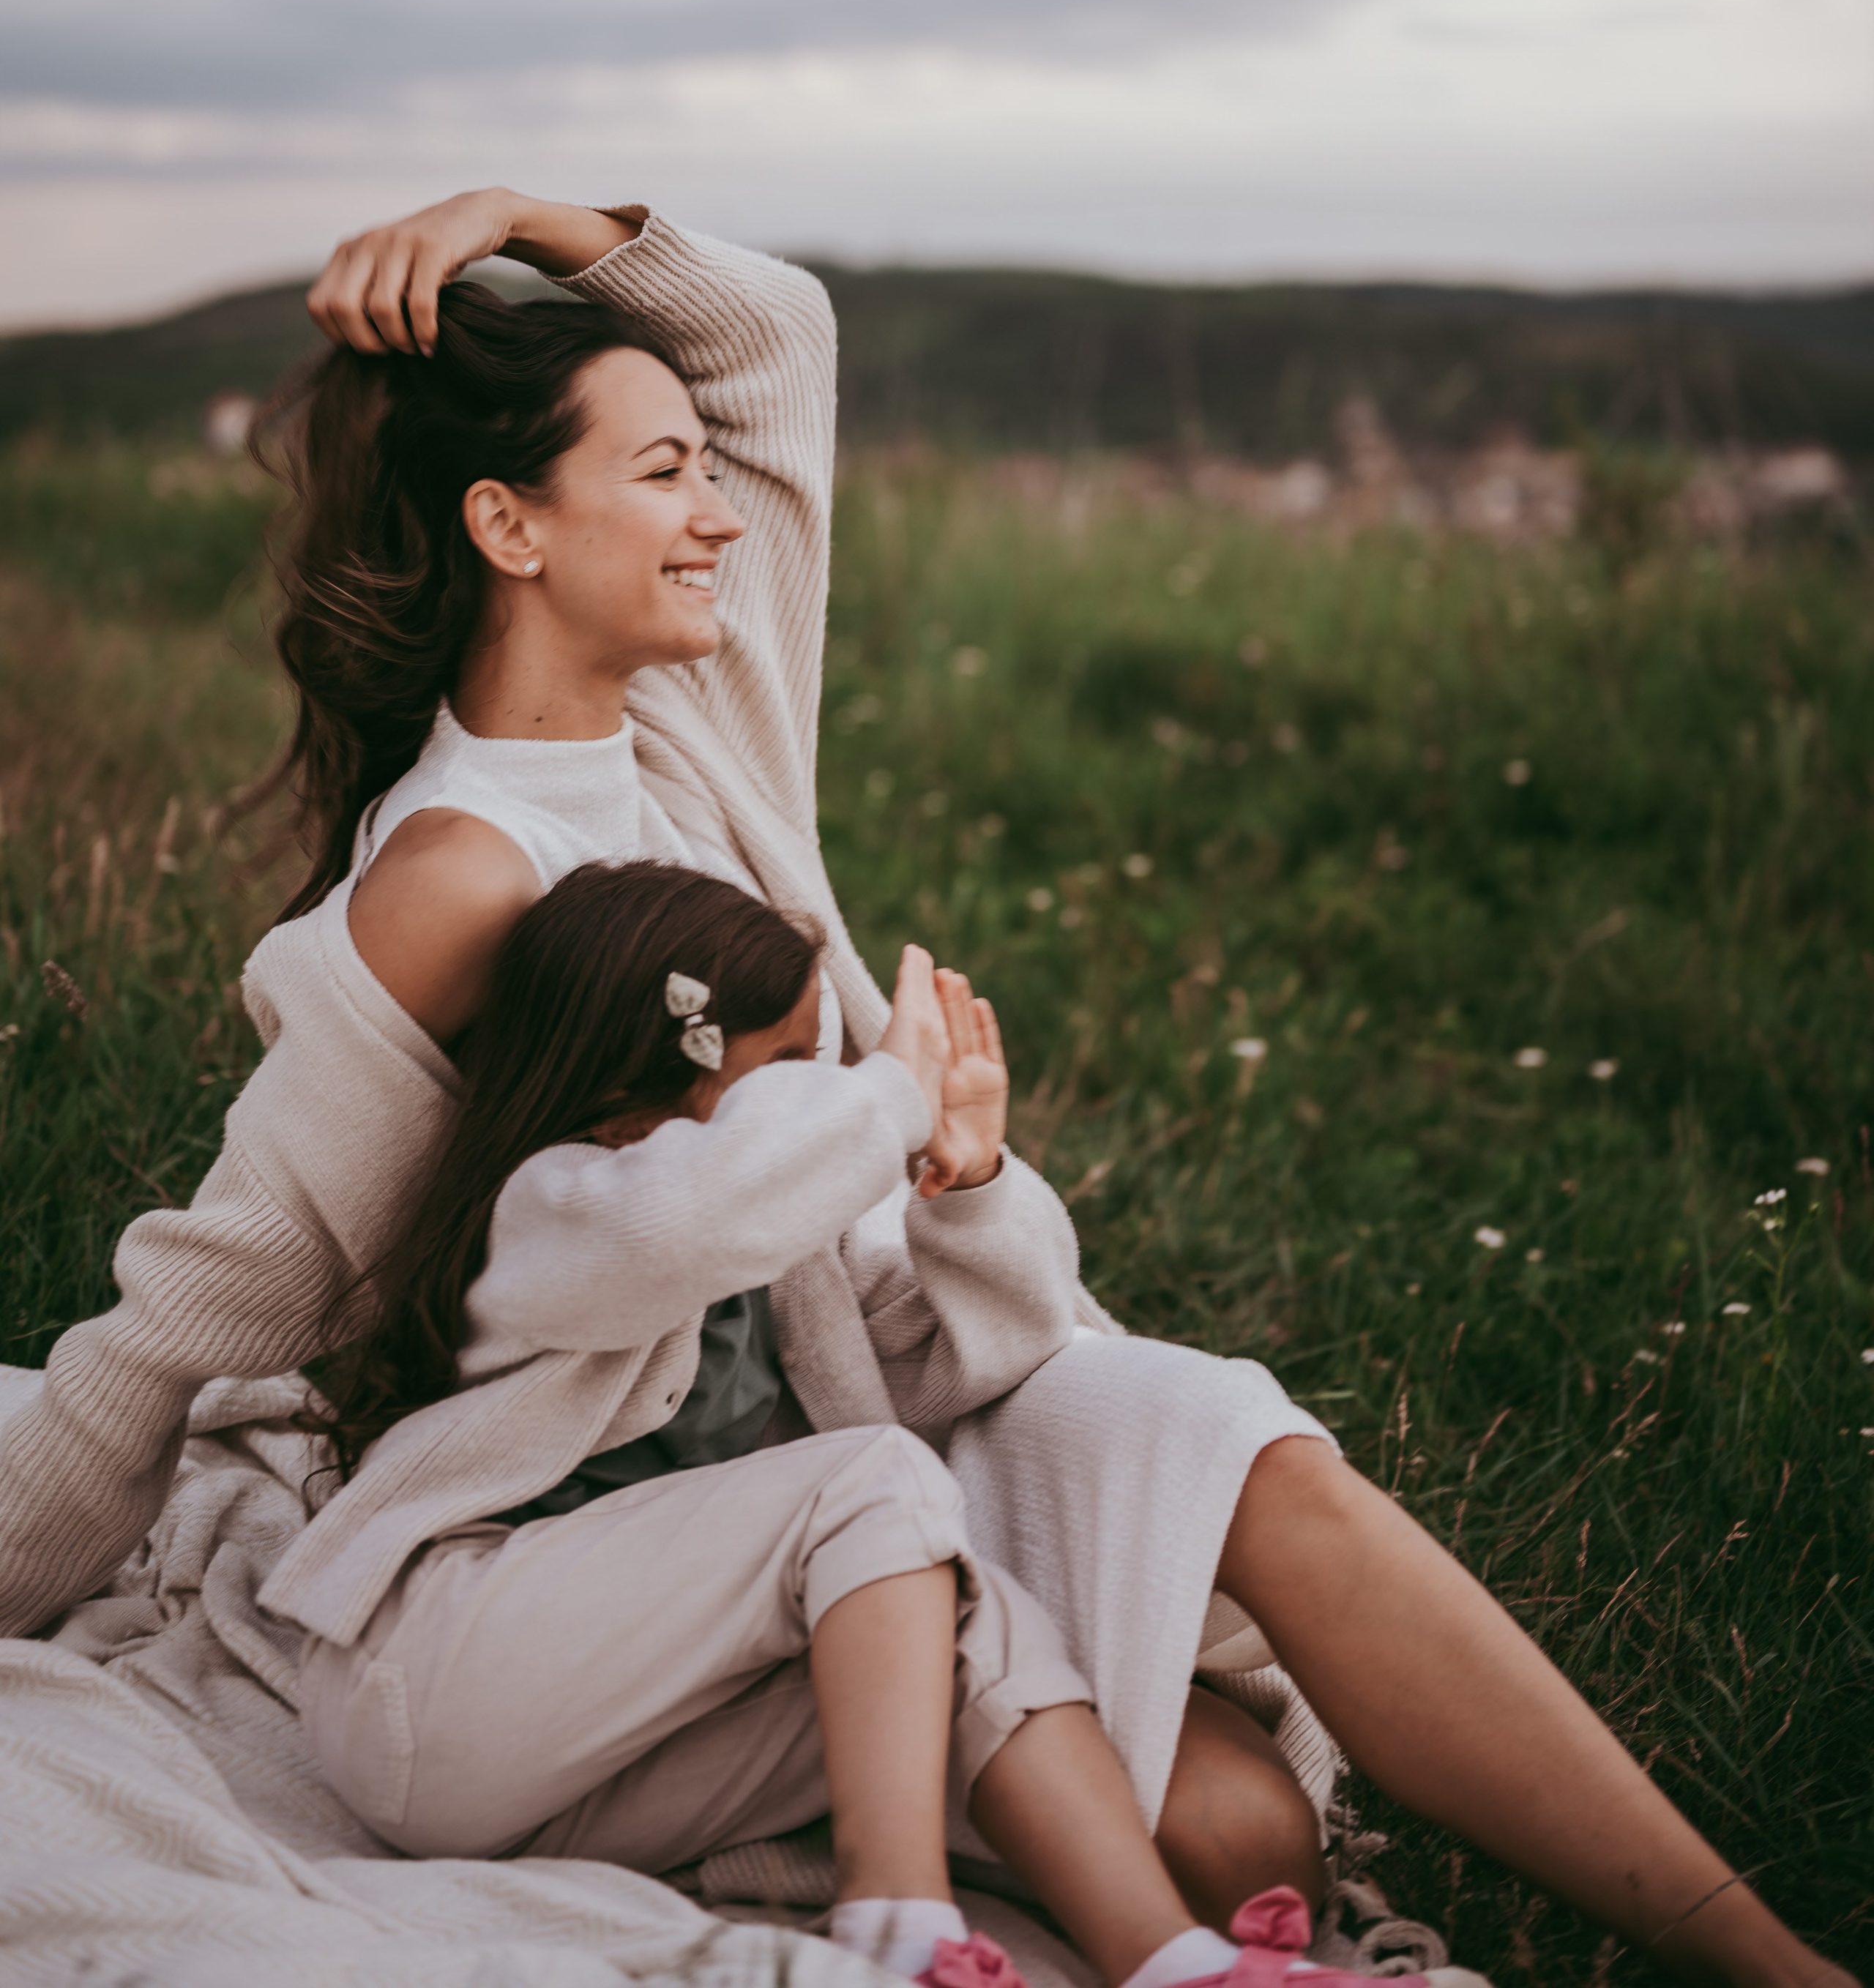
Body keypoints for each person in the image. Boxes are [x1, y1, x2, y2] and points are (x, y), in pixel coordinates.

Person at [0, 189, 1848, 1988]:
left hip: (886, 1393)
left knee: (1240, 1439)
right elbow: (201, 1304)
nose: (717, 510)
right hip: (645, 1539)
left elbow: (772, 336)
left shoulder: (700, 703)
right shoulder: (447, 889)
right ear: (508, 522)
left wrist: (526, 213)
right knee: (1233, 1840)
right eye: (659, 475)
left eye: (698, 467)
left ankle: (1770, 1964)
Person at [274, 851, 1477, 1988]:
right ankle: (894, 1916)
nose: (835, 1096)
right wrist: (888, 1092)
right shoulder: (559, 1208)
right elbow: (692, 1221)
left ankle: (1167, 1959)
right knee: (872, 1481)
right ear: (631, 1089)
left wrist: (974, 1180)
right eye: (794, 1064)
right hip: (435, 1694)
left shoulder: (790, 1258)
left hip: (596, 1770)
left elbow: (991, 1347)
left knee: (966, 1615)